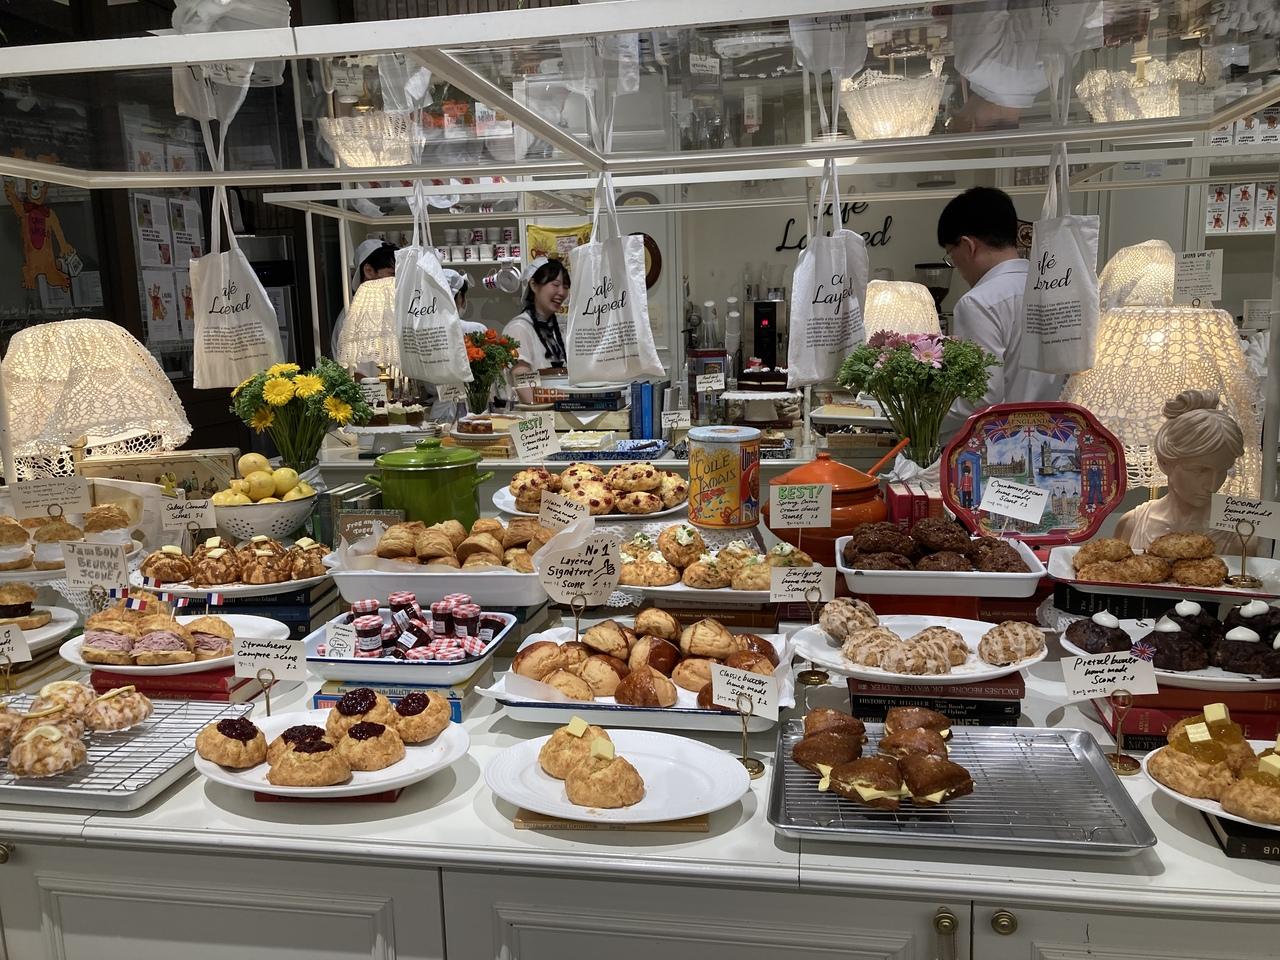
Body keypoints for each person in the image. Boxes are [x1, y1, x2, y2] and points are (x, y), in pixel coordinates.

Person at [937, 186, 1062, 437]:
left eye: (951, 255)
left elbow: (980, 398)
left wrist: (920, 420)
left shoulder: (978, 302)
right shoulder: (1054, 288)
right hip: (1059, 436)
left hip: (1004, 444)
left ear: (968, 246)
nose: (955, 266)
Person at [1114, 390, 1249, 553]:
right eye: (1200, 470)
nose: (1212, 485)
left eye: (1222, 470)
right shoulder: (1131, 525)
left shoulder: (1242, 534)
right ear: (1165, 463)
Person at [502, 257, 570, 402]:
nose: (561, 292)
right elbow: (527, 393)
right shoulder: (518, 329)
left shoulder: (557, 329)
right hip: (536, 414)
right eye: (555, 284)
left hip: (559, 410)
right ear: (533, 285)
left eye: (565, 286)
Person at [330, 238, 397, 362]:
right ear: (369, 271)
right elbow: (357, 370)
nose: (397, 281)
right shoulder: (357, 314)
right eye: (392, 274)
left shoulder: (387, 308)